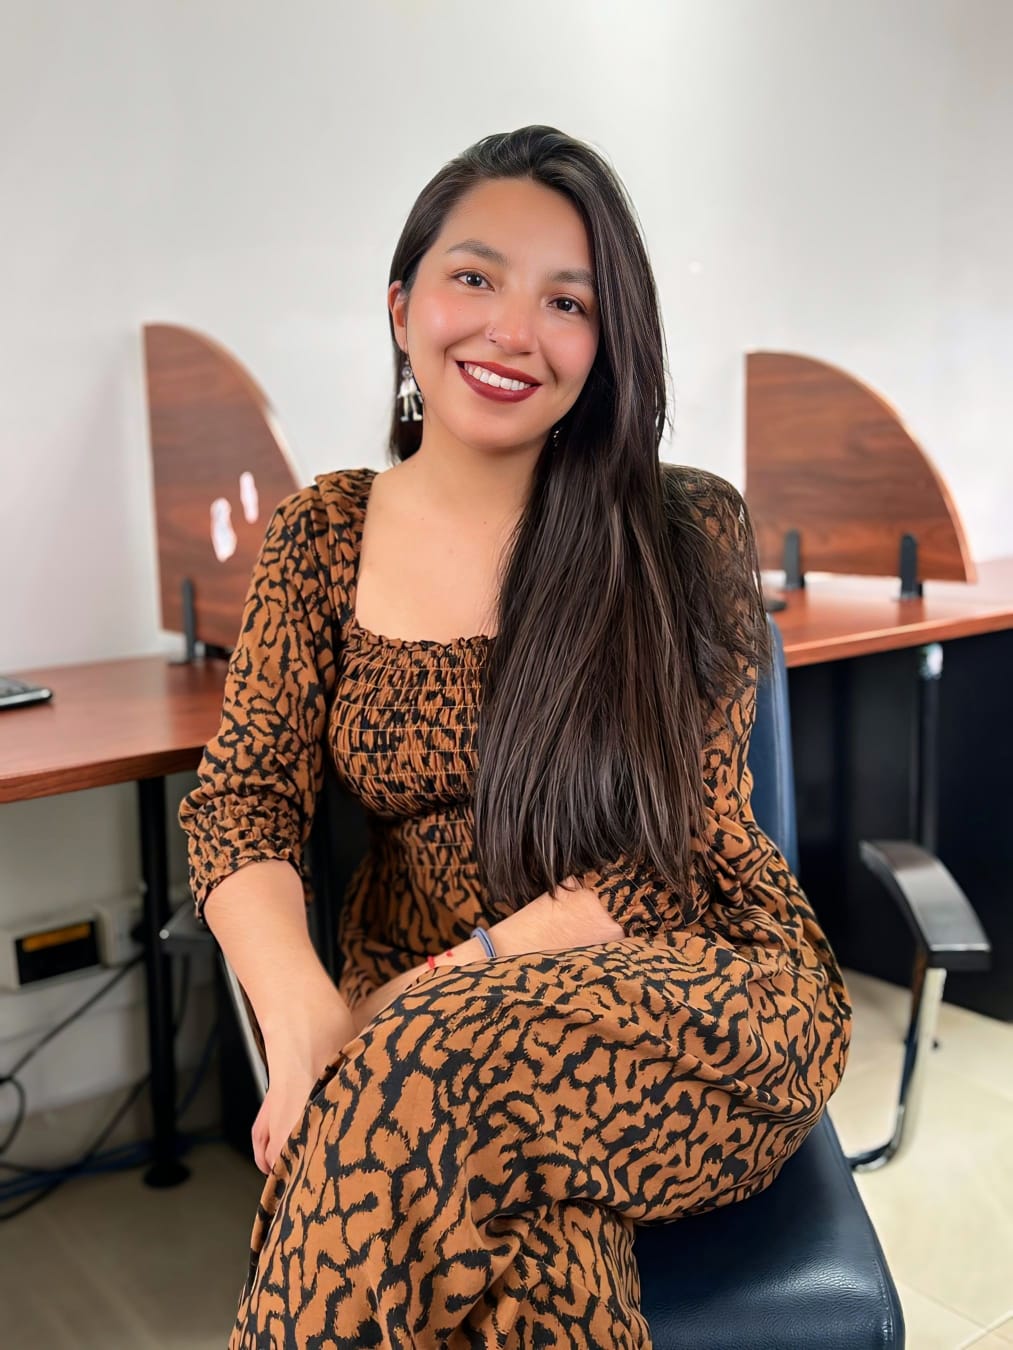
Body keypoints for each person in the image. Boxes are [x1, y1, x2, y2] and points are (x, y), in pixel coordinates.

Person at [180, 125, 851, 1349]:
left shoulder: (679, 531)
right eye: (474, 277)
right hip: (427, 1024)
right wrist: (303, 1015)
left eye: (566, 302)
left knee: (409, 1090)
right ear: (401, 307)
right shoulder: (320, 537)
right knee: (521, 1278)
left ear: (604, 345)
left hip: (688, 984)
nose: (511, 331)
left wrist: (433, 997)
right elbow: (241, 808)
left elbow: (673, 856)